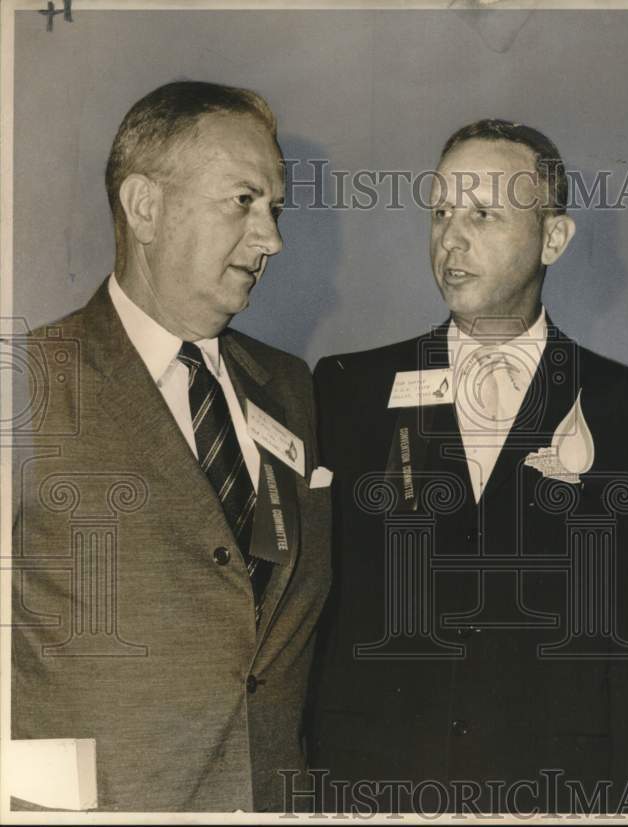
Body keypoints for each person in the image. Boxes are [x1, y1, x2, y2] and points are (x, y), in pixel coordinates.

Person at [307, 119, 628, 814]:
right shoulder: (345, 390)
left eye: (484, 214)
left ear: (554, 238)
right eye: (442, 212)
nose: (452, 239)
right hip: (376, 782)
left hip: (558, 786)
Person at [11, 81, 332, 812]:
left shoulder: (289, 388)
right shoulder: (25, 383)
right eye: (244, 200)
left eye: (275, 209)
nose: (272, 238)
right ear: (144, 207)